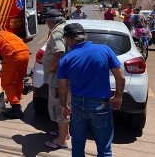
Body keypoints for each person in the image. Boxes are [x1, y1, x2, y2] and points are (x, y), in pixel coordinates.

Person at [57, 23, 125, 157]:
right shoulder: (104, 50)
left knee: (77, 144)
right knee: (104, 147)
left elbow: (62, 87)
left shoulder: (65, 59)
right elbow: (120, 77)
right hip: (100, 105)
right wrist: (118, 96)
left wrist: (64, 105)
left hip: (77, 105)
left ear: (70, 39)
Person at [0, 24, 29, 119]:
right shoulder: (7, 33)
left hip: (13, 56)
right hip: (25, 53)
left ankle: (16, 109)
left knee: (6, 83)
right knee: (19, 79)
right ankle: (17, 99)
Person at [42, 9, 70, 149]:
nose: (46, 23)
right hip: (64, 76)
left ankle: (61, 140)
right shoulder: (64, 27)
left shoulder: (57, 31)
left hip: (58, 78)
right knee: (64, 106)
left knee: (60, 107)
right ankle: (65, 133)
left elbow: (60, 52)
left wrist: (52, 67)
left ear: (51, 21)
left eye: (46, 21)